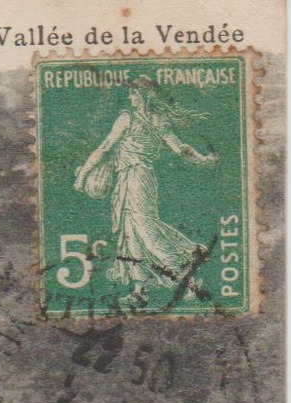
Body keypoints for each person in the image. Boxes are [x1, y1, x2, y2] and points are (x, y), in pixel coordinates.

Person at [73, 76, 220, 305]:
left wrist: (82, 176)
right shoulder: (159, 121)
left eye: (133, 93)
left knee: (144, 230)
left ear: (144, 95)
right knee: (132, 233)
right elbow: (180, 149)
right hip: (139, 178)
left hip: (134, 178)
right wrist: (204, 160)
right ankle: (139, 290)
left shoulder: (127, 118)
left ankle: (190, 275)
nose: (130, 97)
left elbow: (104, 147)